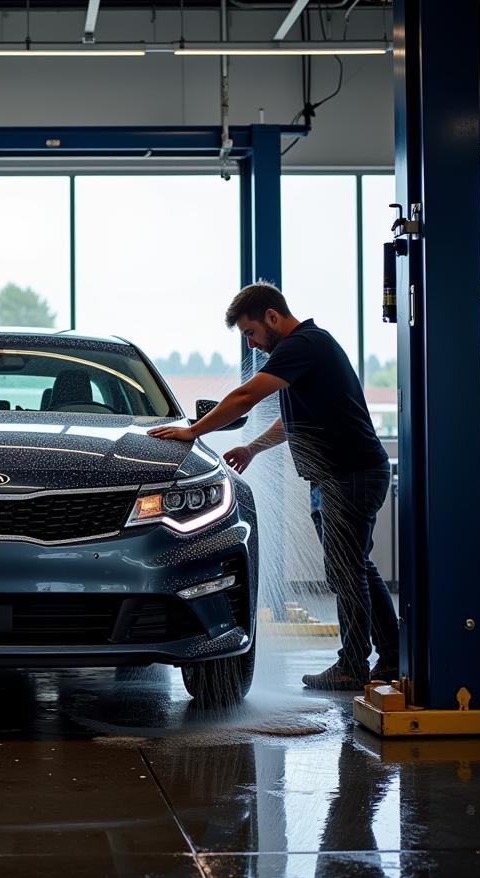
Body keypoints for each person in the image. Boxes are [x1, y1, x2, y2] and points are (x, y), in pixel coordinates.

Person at [149, 281, 399, 691]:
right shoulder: (308, 350)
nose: (251, 345)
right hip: (345, 475)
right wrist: (251, 448)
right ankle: (390, 659)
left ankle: (353, 665)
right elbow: (293, 422)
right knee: (357, 569)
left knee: (345, 572)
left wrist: (192, 432)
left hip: (348, 476)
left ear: (271, 317)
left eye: (250, 333)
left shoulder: (302, 345)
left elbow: (246, 396)